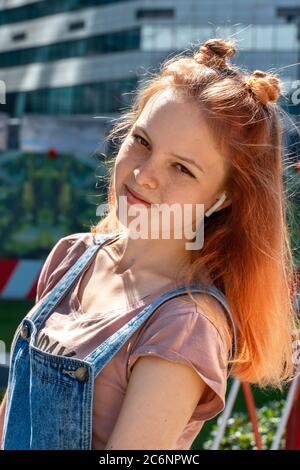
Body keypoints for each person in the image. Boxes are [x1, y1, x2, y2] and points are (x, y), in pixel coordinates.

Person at [0, 38, 298, 450]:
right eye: (142, 141)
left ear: (223, 198)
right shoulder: (72, 256)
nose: (145, 175)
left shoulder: (184, 323)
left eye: (181, 168)